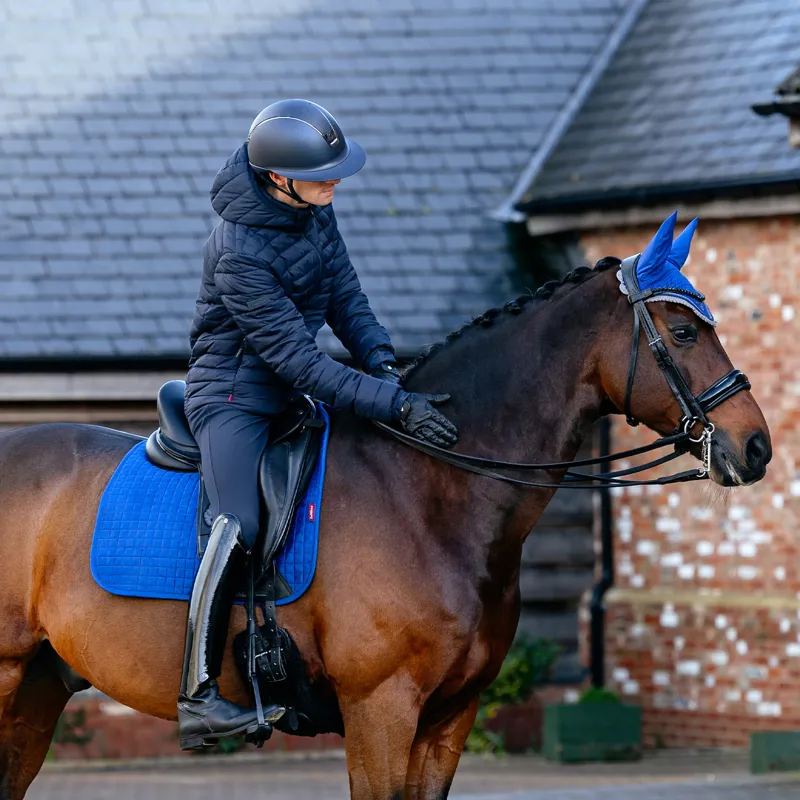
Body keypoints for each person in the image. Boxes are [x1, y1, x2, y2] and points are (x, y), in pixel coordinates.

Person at [177, 98, 459, 749]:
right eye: (323, 173)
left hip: (291, 393)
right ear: (278, 177)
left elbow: (346, 299)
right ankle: (198, 693)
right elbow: (296, 359)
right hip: (234, 400)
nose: (336, 182)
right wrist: (390, 405)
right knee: (238, 522)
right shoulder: (236, 250)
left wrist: (386, 369)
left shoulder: (314, 213)